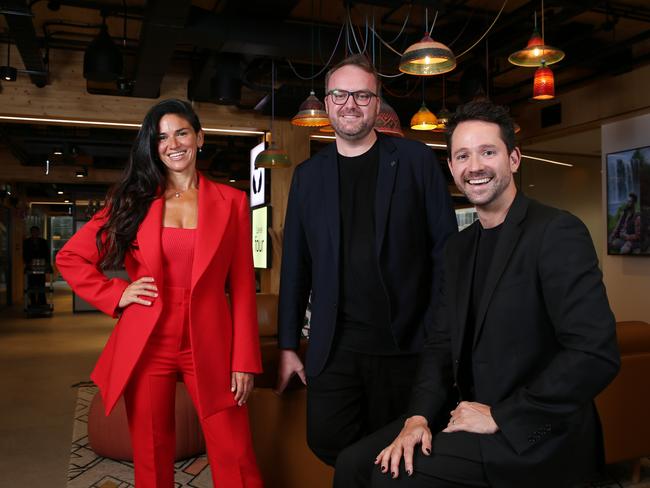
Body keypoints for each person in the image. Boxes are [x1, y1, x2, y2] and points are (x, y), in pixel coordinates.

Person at [335, 99, 621, 488]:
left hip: (533, 432)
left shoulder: (556, 232)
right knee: (352, 463)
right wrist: (417, 417)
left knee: (391, 478)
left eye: (488, 152)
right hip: (466, 418)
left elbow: (595, 353)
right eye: (463, 156)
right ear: (452, 168)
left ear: (514, 158)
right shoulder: (458, 248)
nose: (475, 166)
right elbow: (440, 344)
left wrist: (502, 416)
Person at [56, 99, 263, 488]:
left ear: (199, 138)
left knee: (234, 451)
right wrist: (116, 293)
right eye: (161, 137)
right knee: (151, 453)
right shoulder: (133, 201)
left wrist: (244, 359)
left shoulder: (233, 203)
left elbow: (242, 288)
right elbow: (70, 257)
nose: (173, 143)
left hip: (212, 340)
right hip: (149, 339)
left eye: (181, 132)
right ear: (153, 147)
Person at [276, 54, 457, 467]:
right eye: (340, 94)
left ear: (377, 104)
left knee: (402, 450)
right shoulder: (308, 176)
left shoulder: (416, 162)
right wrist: (287, 344)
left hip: (406, 345)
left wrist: (436, 331)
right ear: (326, 102)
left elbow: (446, 254)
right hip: (335, 347)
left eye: (361, 94)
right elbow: (296, 268)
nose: (350, 104)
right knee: (327, 441)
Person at [23, 225, 50, 306]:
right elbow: (25, 254)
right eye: (33, 232)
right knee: (31, 285)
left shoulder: (43, 241)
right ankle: (33, 303)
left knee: (41, 284)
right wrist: (28, 263)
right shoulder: (26, 242)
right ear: (31, 233)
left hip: (41, 266)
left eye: (36, 232)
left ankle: (42, 302)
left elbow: (47, 253)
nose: (35, 233)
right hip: (30, 267)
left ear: (39, 233)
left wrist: (47, 263)